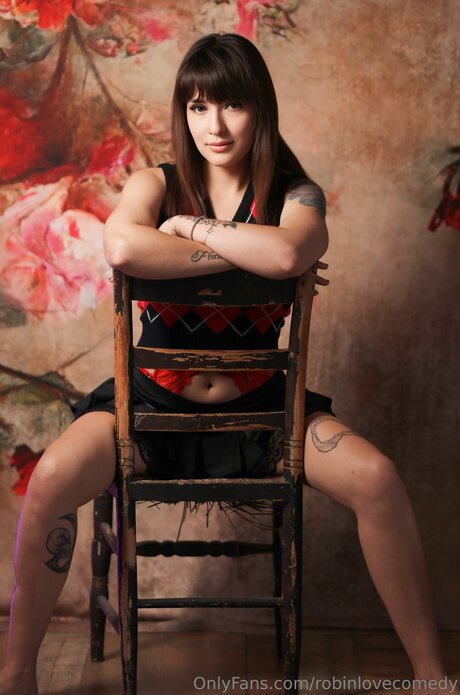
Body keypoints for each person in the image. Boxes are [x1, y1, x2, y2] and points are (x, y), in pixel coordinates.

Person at [0, 32, 456, 695]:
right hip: (149, 411)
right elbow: (123, 247)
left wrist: (188, 231)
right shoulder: (156, 184)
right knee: (48, 481)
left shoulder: (298, 196)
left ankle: (432, 678)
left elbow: (288, 253)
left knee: (378, 478)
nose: (213, 125)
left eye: (232, 105)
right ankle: (17, 674)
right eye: (198, 106)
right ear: (184, 112)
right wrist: (248, 252)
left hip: (261, 414)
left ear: (260, 108)